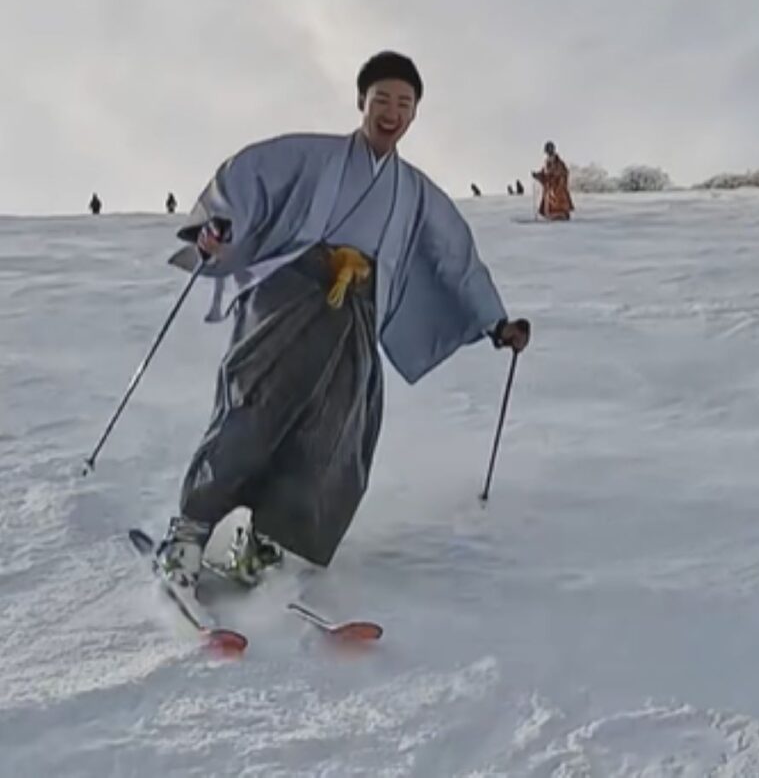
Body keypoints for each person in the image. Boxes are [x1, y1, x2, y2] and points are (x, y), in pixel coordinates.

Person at [157, 51, 531, 593]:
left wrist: (495, 323)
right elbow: (248, 178)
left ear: (415, 114)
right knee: (255, 405)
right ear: (362, 102)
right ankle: (188, 534)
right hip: (291, 294)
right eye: (382, 99)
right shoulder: (313, 155)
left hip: (356, 309)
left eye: (404, 103)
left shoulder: (417, 192)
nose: (391, 111)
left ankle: (265, 540)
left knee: (334, 432)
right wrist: (220, 225)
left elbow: (455, 257)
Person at [532, 141, 574, 221]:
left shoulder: (559, 163)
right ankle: (552, 216)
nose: (548, 153)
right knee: (550, 204)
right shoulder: (547, 162)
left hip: (558, 190)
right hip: (550, 189)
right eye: (547, 152)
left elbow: (562, 173)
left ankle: (561, 216)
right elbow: (544, 174)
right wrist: (538, 175)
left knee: (558, 203)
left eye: (550, 151)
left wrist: (554, 177)